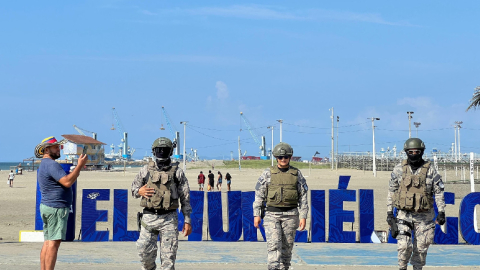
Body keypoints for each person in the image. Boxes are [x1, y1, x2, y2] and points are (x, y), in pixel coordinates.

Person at [131, 137, 192, 270]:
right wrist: (139, 191)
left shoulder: (177, 172)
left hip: (169, 219)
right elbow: (133, 189)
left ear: (170, 152)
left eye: (164, 150)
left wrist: (187, 220)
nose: (161, 152)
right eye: (159, 150)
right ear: (154, 151)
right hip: (149, 218)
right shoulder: (145, 170)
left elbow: (185, 198)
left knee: (168, 261)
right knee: (144, 255)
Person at [387, 138, 445, 270]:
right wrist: (390, 213)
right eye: (411, 152)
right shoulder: (399, 170)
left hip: (424, 216)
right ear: (406, 152)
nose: (414, 154)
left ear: (422, 152)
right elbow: (391, 191)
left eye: (417, 151)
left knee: (421, 248)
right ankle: (402, 268)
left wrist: (441, 211)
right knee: (404, 246)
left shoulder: (431, 170)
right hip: (404, 214)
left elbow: (439, 192)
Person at [253, 142, 309, 270]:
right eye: (280, 157)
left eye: (286, 157)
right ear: (276, 158)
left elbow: (303, 196)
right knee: (273, 246)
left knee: (286, 250)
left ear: (290, 157)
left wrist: (303, 216)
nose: (283, 159)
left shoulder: (296, 174)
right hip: (271, 215)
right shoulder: (268, 173)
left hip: (291, 215)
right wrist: (256, 214)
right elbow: (259, 195)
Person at [35, 136, 88, 270]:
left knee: (48, 242)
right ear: (47, 149)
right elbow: (67, 181)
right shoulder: (52, 164)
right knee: (53, 243)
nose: (59, 149)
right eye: (56, 147)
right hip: (56, 208)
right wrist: (79, 166)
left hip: (48, 206)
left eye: (59, 146)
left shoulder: (45, 164)